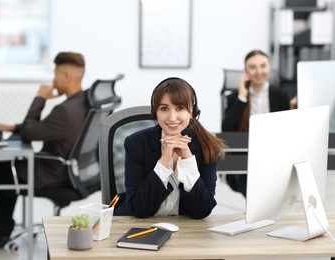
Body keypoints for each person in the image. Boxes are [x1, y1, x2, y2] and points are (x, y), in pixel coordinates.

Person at [0, 51, 90, 250]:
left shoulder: (64, 111)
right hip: (71, 172)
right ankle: (0, 233)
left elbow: (31, 133)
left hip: (52, 175)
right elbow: (43, 129)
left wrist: (40, 98)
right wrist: (12, 127)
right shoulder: (84, 103)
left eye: (55, 74)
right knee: (7, 172)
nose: (53, 80)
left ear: (67, 76)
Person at [115, 77, 226, 219]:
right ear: (155, 112)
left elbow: (202, 211)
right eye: (164, 109)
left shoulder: (208, 146)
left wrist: (188, 160)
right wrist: (164, 161)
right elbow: (139, 209)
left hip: (186, 232)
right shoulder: (135, 143)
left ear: (192, 110)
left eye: (180, 108)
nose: (172, 118)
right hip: (138, 226)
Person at [222, 49, 293, 197]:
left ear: (269, 68)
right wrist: (242, 96)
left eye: (263, 66)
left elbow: (288, 129)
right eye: (253, 67)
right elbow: (227, 130)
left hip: (274, 155)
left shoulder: (281, 96)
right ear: (246, 71)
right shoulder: (235, 97)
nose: (258, 71)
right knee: (254, 192)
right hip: (246, 157)